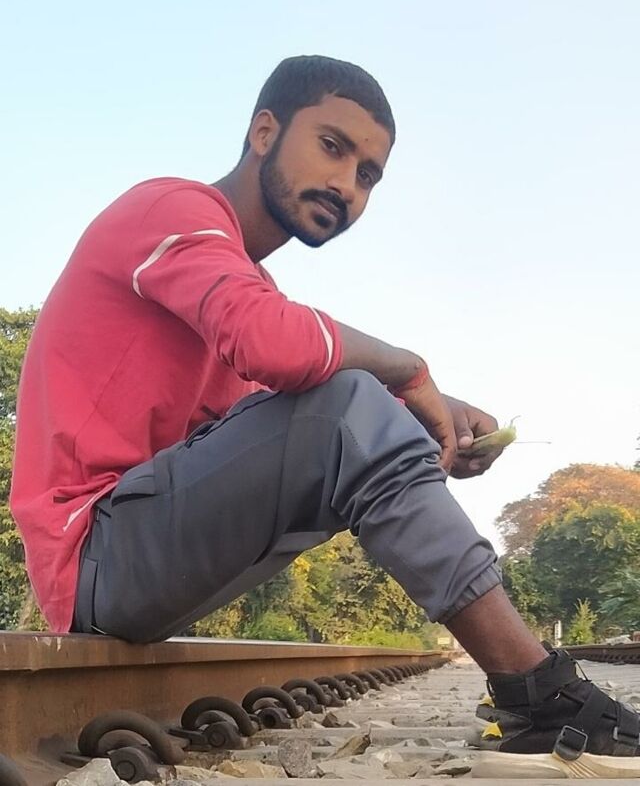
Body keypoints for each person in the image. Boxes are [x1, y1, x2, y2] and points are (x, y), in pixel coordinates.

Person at [10, 55, 639, 776]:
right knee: (347, 403)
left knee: (351, 404)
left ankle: (531, 685)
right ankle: (536, 687)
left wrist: (420, 417)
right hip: (92, 551)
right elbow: (282, 352)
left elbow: (282, 419)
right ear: (264, 132)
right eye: (332, 146)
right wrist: (410, 372)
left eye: (368, 174)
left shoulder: (244, 286)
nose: (346, 184)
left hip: (135, 560)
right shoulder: (169, 211)